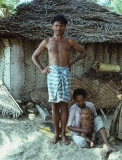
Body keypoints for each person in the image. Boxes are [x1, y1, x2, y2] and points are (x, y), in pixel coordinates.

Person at [32, 14, 87, 145]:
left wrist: (72, 61)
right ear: (52, 26)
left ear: (65, 26)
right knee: (54, 106)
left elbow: (84, 52)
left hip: (65, 73)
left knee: (64, 105)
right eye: (56, 25)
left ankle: (63, 135)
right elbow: (34, 56)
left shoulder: (69, 41)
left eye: (61, 25)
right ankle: (56, 135)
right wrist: (42, 69)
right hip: (52, 75)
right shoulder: (47, 41)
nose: (59, 27)